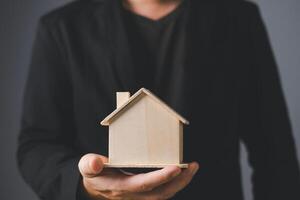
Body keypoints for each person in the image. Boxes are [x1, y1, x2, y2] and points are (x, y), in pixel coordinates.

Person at [17, 0, 300, 199]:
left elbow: (274, 150)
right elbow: (36, 144)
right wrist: (86, 186)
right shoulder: (62, 27)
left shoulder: (239, 20)